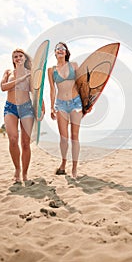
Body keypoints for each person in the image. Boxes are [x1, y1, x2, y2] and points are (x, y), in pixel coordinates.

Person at [0, 48, 44, 183]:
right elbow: (3, 87)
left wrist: (42, 109)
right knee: (13, 139)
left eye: (20, 56)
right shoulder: (8, 72)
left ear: (25, 59)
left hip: (26, 109)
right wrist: (20, 79)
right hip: (11, 108)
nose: (18, 58)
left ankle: (24, 173)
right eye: (15, 57)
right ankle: (17, 169)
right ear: (13, 60)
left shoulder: (30, 74)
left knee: (25, 143)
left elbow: (37, 92)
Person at [48, 42, 83, 179]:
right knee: (64, 138)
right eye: (58, 49)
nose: (60, 50)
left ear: (66, 52)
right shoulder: (51, 70)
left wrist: (86, 105)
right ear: (55, 53)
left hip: (76, 103)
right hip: (60, 104)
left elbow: (82, 85)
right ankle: (63, 164)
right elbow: (52, 90)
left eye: (63, 48)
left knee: (75, 137)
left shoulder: (74, 65)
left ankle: (74, 168)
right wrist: (52, 107)